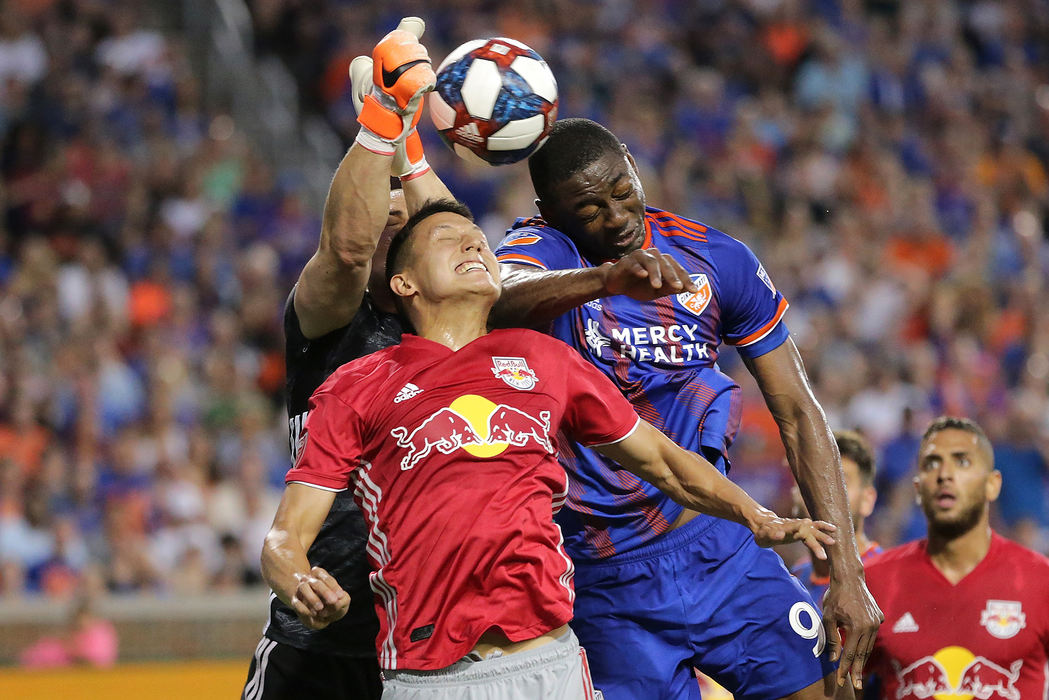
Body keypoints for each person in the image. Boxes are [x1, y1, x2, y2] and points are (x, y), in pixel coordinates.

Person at [264, 186, 838, 698]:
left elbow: (665, 461)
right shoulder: (358, 385)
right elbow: (285, 537)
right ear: (403, 282)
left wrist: (754, 515)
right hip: (427, 677)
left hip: (553, 661)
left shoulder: (544, 361)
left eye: (477, 239)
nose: (472, 246)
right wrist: (300, 581)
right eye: (447, 239)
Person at [492, 117, 882, 699]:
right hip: (603, 578)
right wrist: (606, 281)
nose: (617, 216)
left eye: (623, 191)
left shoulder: (714, 258)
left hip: (718, 547)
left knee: (832, 692)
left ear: (633, 166)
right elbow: (498, 303)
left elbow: (799, 413)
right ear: (550, 211)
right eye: (590, 209)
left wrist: (847, 571)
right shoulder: (541, 250)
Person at [243, 19, 452, 700]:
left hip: (427, 647)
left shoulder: (460, 332)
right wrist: (383, 120)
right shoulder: (331, 324)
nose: (390, 222)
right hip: (319, 645)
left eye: (403, 217)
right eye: (379, 213)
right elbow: (345, 251)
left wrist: (410, 150)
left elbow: (451, 237)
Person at [862, 416, 1049, 699]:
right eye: (932, 463)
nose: (944, 474)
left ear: (993, 484)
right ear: (917, 488)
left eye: (962, 461)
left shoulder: (1041, 581)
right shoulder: (872, 582)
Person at [792, 430, 883, 606]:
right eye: (813, 480)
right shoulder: (792, 579)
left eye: (840, 483)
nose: (824, 493)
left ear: (867, 500)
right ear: (796, 493)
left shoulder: (890, 578)